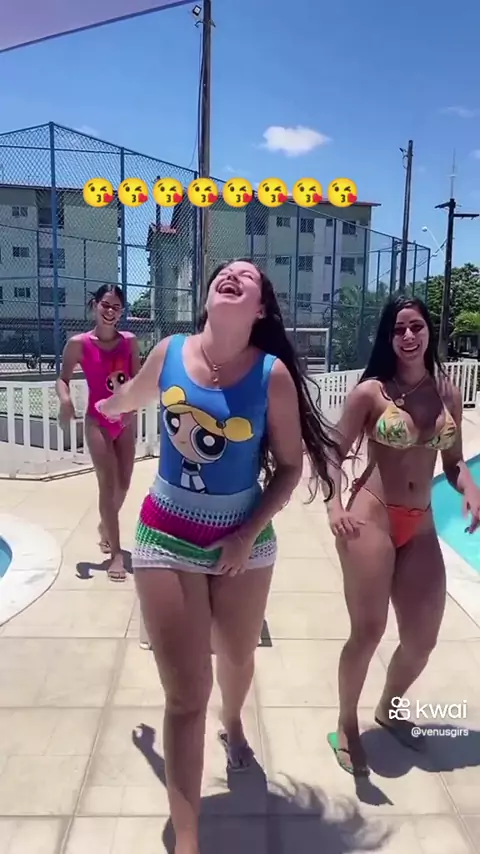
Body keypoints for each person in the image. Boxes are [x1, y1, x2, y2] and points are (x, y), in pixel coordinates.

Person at [95, 259, 341, 854]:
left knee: (236, 655)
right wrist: (109, 407)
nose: (232, 275)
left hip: (243, 541)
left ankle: (233, 724)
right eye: (225, 272)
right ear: (208, 297)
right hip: (164, 536)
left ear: (260, 309)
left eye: (247, 277)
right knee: (186, 696)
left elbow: (289, 468)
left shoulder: (271, 376)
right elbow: (134, 395)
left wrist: (246, 534)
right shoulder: (171, 353)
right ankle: (188, 842)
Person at [325, 295, 480, 776]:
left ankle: (388, 709)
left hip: (422, 524)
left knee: (422, 639)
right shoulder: (371, 393)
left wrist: (470, 486)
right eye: (398, 329)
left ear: (429, 331)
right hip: (370, 518)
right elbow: (333, 453)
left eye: (416, 327)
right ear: (388, 338)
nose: (408, 336)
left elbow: (453, 462)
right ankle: (346, 724)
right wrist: (334, 505)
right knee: (368, 631)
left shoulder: (446, 392)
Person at [56, 283, 140, 581]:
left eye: (116, 307)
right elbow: (63, 379)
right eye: (105, 304)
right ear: (95, 305)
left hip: (124, 421)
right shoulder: (78, 344)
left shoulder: (129, 341)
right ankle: (116, 553)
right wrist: (66, 401)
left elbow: (137, 379)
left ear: (122, 311)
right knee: (108, 482)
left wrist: (131, 407)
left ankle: (106, 526)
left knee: (124, 484)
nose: (110, 311)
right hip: (97, 421)